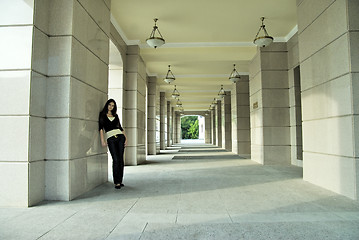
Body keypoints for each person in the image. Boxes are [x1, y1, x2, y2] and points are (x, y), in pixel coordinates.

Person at [99, 99, 127, 189]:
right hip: (110, 139)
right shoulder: (102, 115)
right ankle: (116, 182)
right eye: (110, 105)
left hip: (120, 138)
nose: (111, 107)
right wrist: (103, 140)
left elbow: (120, 127)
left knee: (120, 160)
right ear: (107, 105)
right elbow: (100, 129)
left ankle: (120, 180)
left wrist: (125, 138)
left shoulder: (116, 116)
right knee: (115, 159)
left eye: (113, 105)